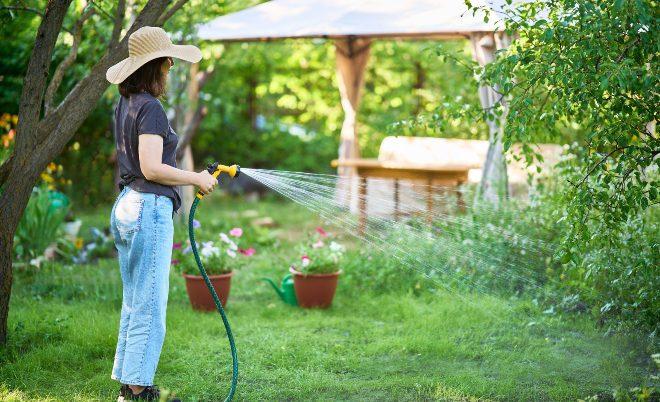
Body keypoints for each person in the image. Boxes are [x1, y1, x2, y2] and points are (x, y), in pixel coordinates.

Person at [105, 26, 217, 401]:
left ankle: (128, 384)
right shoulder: (150, 108)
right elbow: (152, 168)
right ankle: (138, 391)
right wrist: (195, 177)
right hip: (147, 208)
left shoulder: (125, 104)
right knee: (150, 305)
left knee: (136, 300)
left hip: (127, 204)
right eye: (168, 61)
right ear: (155, 66)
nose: (171, 66)